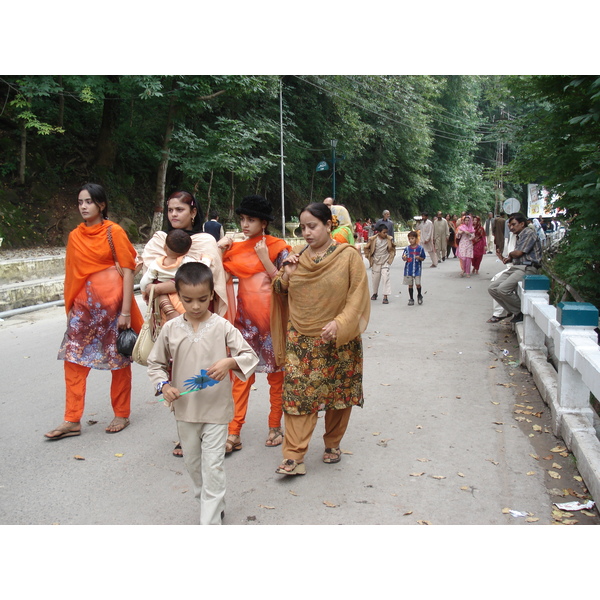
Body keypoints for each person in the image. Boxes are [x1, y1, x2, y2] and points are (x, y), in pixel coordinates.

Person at [147, 263, 258, 525]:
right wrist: (164, 386)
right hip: (185, 410)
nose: (195, 306)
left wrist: (230, 362)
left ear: (212, 295)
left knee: (213, 466)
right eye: (188, 300)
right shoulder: (171, 329)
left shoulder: (222, 327)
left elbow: (249, 356)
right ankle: (211, 503)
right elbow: (155, 364)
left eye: (202, 299)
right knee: (194, 466)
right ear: (178, 295)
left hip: (217, 410)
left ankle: (209, 522)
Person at [270, 202, 370, 476]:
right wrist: (286, 274)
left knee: (338, 394)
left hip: (339, 340)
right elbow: (278, 288)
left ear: (329, 225)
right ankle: (293, 456)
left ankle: (333, 444)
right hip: (301, 341)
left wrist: (340, 324)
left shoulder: (348, 256)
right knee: (297, 397)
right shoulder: (296, 257)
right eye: (303, 227)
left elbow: (358, 295)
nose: (307, 233)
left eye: (312, 226)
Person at [45, 183, 143, 440]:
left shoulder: (114, 232)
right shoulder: (75, 236)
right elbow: (72, 274)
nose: (83, 207)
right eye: (80, 202)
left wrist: (125, 312)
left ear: (101, 205)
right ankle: (71, 419)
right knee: (73, 360)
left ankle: (121, 413)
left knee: (118, 360)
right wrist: (70, 309)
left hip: (113, 310)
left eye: (88, 201)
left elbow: (128, 269)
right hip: (83, 310)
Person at [142, 190, 229, 458]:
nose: (174, 215)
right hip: (170, 325)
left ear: (193, 212)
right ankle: (186, 432)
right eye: (170, 210)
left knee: (203, 371)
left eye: (180, 209)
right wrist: (169, 290)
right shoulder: (158, 242)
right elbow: (148, 285)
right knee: (176, 372)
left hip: (201, 317)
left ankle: (208, 427)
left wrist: (169, 287)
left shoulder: (205, 242)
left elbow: (208, 281)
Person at [217, 195, 291, 453]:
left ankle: (275, 426)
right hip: (244, 325)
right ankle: (234, 431)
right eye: (242, 219)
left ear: (264, 223)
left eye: (251, 220)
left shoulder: (278, 247)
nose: (245, 224)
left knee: (276, 377)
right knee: (241, 377)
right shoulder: (236, 250)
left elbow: (288, 284)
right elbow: (215, 274)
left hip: (274, 324)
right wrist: (219, 247)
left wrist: (266, 260)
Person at [488, 212, 543, 324]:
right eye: (510, 226)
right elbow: (516, 255)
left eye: (513, 225)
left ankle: (520, 311)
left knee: (503, 289)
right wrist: (508, 258)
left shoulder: (528, 233)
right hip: (517, 267)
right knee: (493, 288)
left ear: (522, 224)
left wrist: (510, 255)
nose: (511, 228)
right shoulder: (519, 235)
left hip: (527, 268)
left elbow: (518, 253)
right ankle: (514, 310)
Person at [140, 229, 193, 320]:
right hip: (181, 300)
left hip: (162, 303)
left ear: (164, 247)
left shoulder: (156, 263)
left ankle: (169, 311)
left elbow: (145, 281)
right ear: (186, 252)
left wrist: (145, 293)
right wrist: (206, 260)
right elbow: (200, 270)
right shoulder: (187, 261)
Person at [364, 222, 396, 304]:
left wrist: (390, 258)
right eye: (384, 232)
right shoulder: (373, 240)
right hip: (376, 261)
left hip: (385, 260)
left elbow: (393, 248)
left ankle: (385, 296)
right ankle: (375, 293)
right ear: (378, 232)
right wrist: (369, 257)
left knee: (385, 277)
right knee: (375, 278)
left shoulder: (389, 239)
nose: (385, 234)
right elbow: (366, 248)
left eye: (386, 232)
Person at [402, 231, 426, 305]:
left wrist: (419, 258)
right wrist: (404, 258)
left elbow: (423, 257)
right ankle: (411, 298)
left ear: (416, 239)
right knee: (410, 285)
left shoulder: (420, 248)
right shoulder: (407, 249)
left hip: (417, 270)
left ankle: (419, 295)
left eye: (412, 238)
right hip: (408, 270)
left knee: (418, 284)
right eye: (409, 239)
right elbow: (403, 257)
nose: (411, 240)